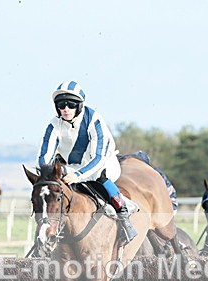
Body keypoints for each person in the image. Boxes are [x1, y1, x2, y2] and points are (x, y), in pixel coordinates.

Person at [38, 81, 137, 242]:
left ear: (79, 105)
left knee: (102, 177)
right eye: (61, 104)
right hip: (72, 166)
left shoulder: (94, 120)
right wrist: (45, 173)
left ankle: (123, 216)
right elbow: (45, 154)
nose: (66, 109)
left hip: (102, 164)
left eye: (71, 104)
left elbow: (99, 157)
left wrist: (78, 175)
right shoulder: (54, 124)